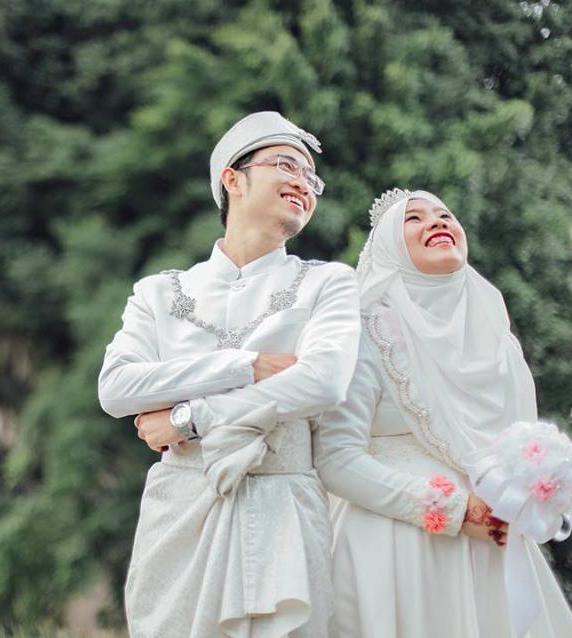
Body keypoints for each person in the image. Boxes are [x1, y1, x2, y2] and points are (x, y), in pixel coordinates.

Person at [98, 111, 361, 637]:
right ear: (232, 179)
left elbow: (323, 381)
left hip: (284, 504)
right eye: (286, 165)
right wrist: (247, 366)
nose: (303, 183)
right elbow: (117, 387)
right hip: (181, 509)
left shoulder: (328, 282)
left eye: (312, 178)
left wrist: (190, 416)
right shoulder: (159, 292)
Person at [313, 188, 572, 638]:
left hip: (491, 557)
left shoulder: (497, 341)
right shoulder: (364, 330)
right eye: (413, 219)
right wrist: (457, 511)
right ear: (389, 248)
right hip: (394, 551)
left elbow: (516, 446)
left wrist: (532, 496)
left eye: (444, 214)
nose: (437, 222)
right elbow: (336, 459)